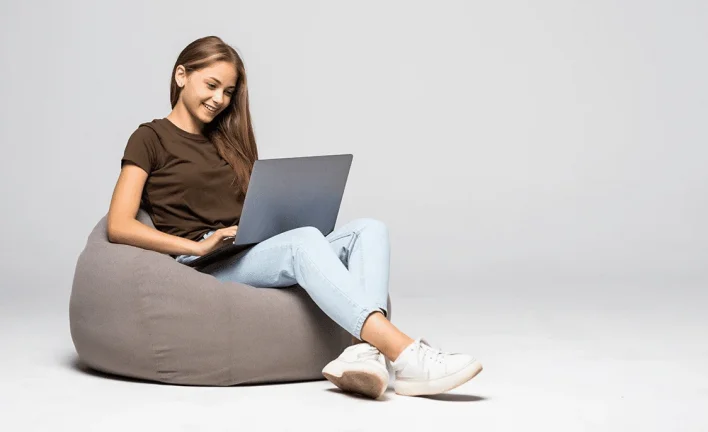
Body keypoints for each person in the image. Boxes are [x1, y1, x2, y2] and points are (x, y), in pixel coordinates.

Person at [107, 35, 482, 399]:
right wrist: (196, 245)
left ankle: (363, 353)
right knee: (302, 242)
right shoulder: (150, 137)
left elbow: (254, 210)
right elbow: (119, 224)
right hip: (208, 262)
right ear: (181, 75)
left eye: (229, 91)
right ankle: (405, 354)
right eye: (212, 85)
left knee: (369, 229)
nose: (220, 99)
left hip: (249, 248)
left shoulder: (227, 142)